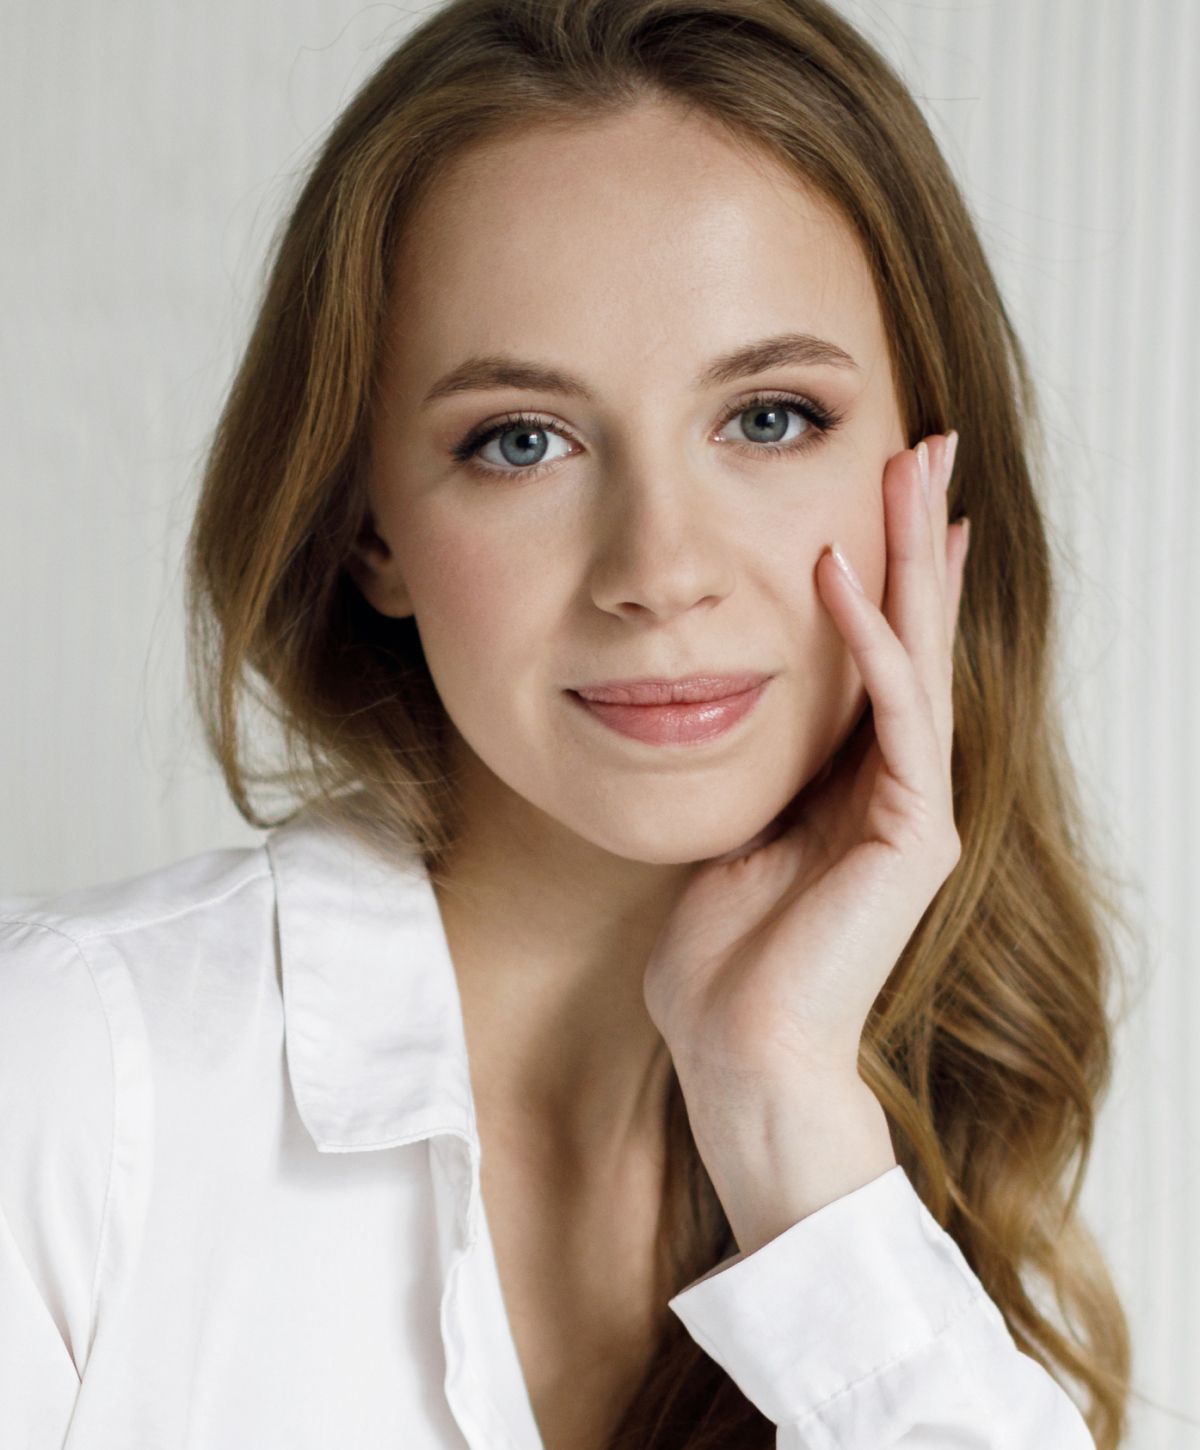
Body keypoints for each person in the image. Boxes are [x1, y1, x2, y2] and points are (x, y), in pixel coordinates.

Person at [0, 0, 1134, 1446]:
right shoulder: (64, 1090)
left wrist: (786, 1114)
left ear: (929, 471)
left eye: (772, 417)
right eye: (520, 441)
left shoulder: (915, 1204)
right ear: (370, 531)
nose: (659, 570)